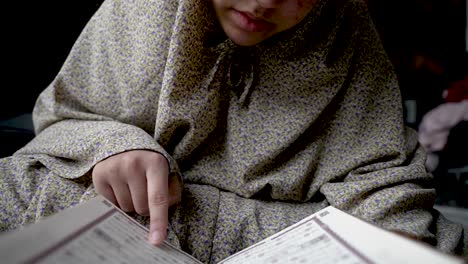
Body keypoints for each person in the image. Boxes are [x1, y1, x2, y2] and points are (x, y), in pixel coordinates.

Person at [0, 0, 466, 262]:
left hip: (274, 235)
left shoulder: (344, 30)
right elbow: (60, 122)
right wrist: (112, 145)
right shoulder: (138, 10)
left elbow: (385, 186)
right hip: (137, 218)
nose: (265, 2)